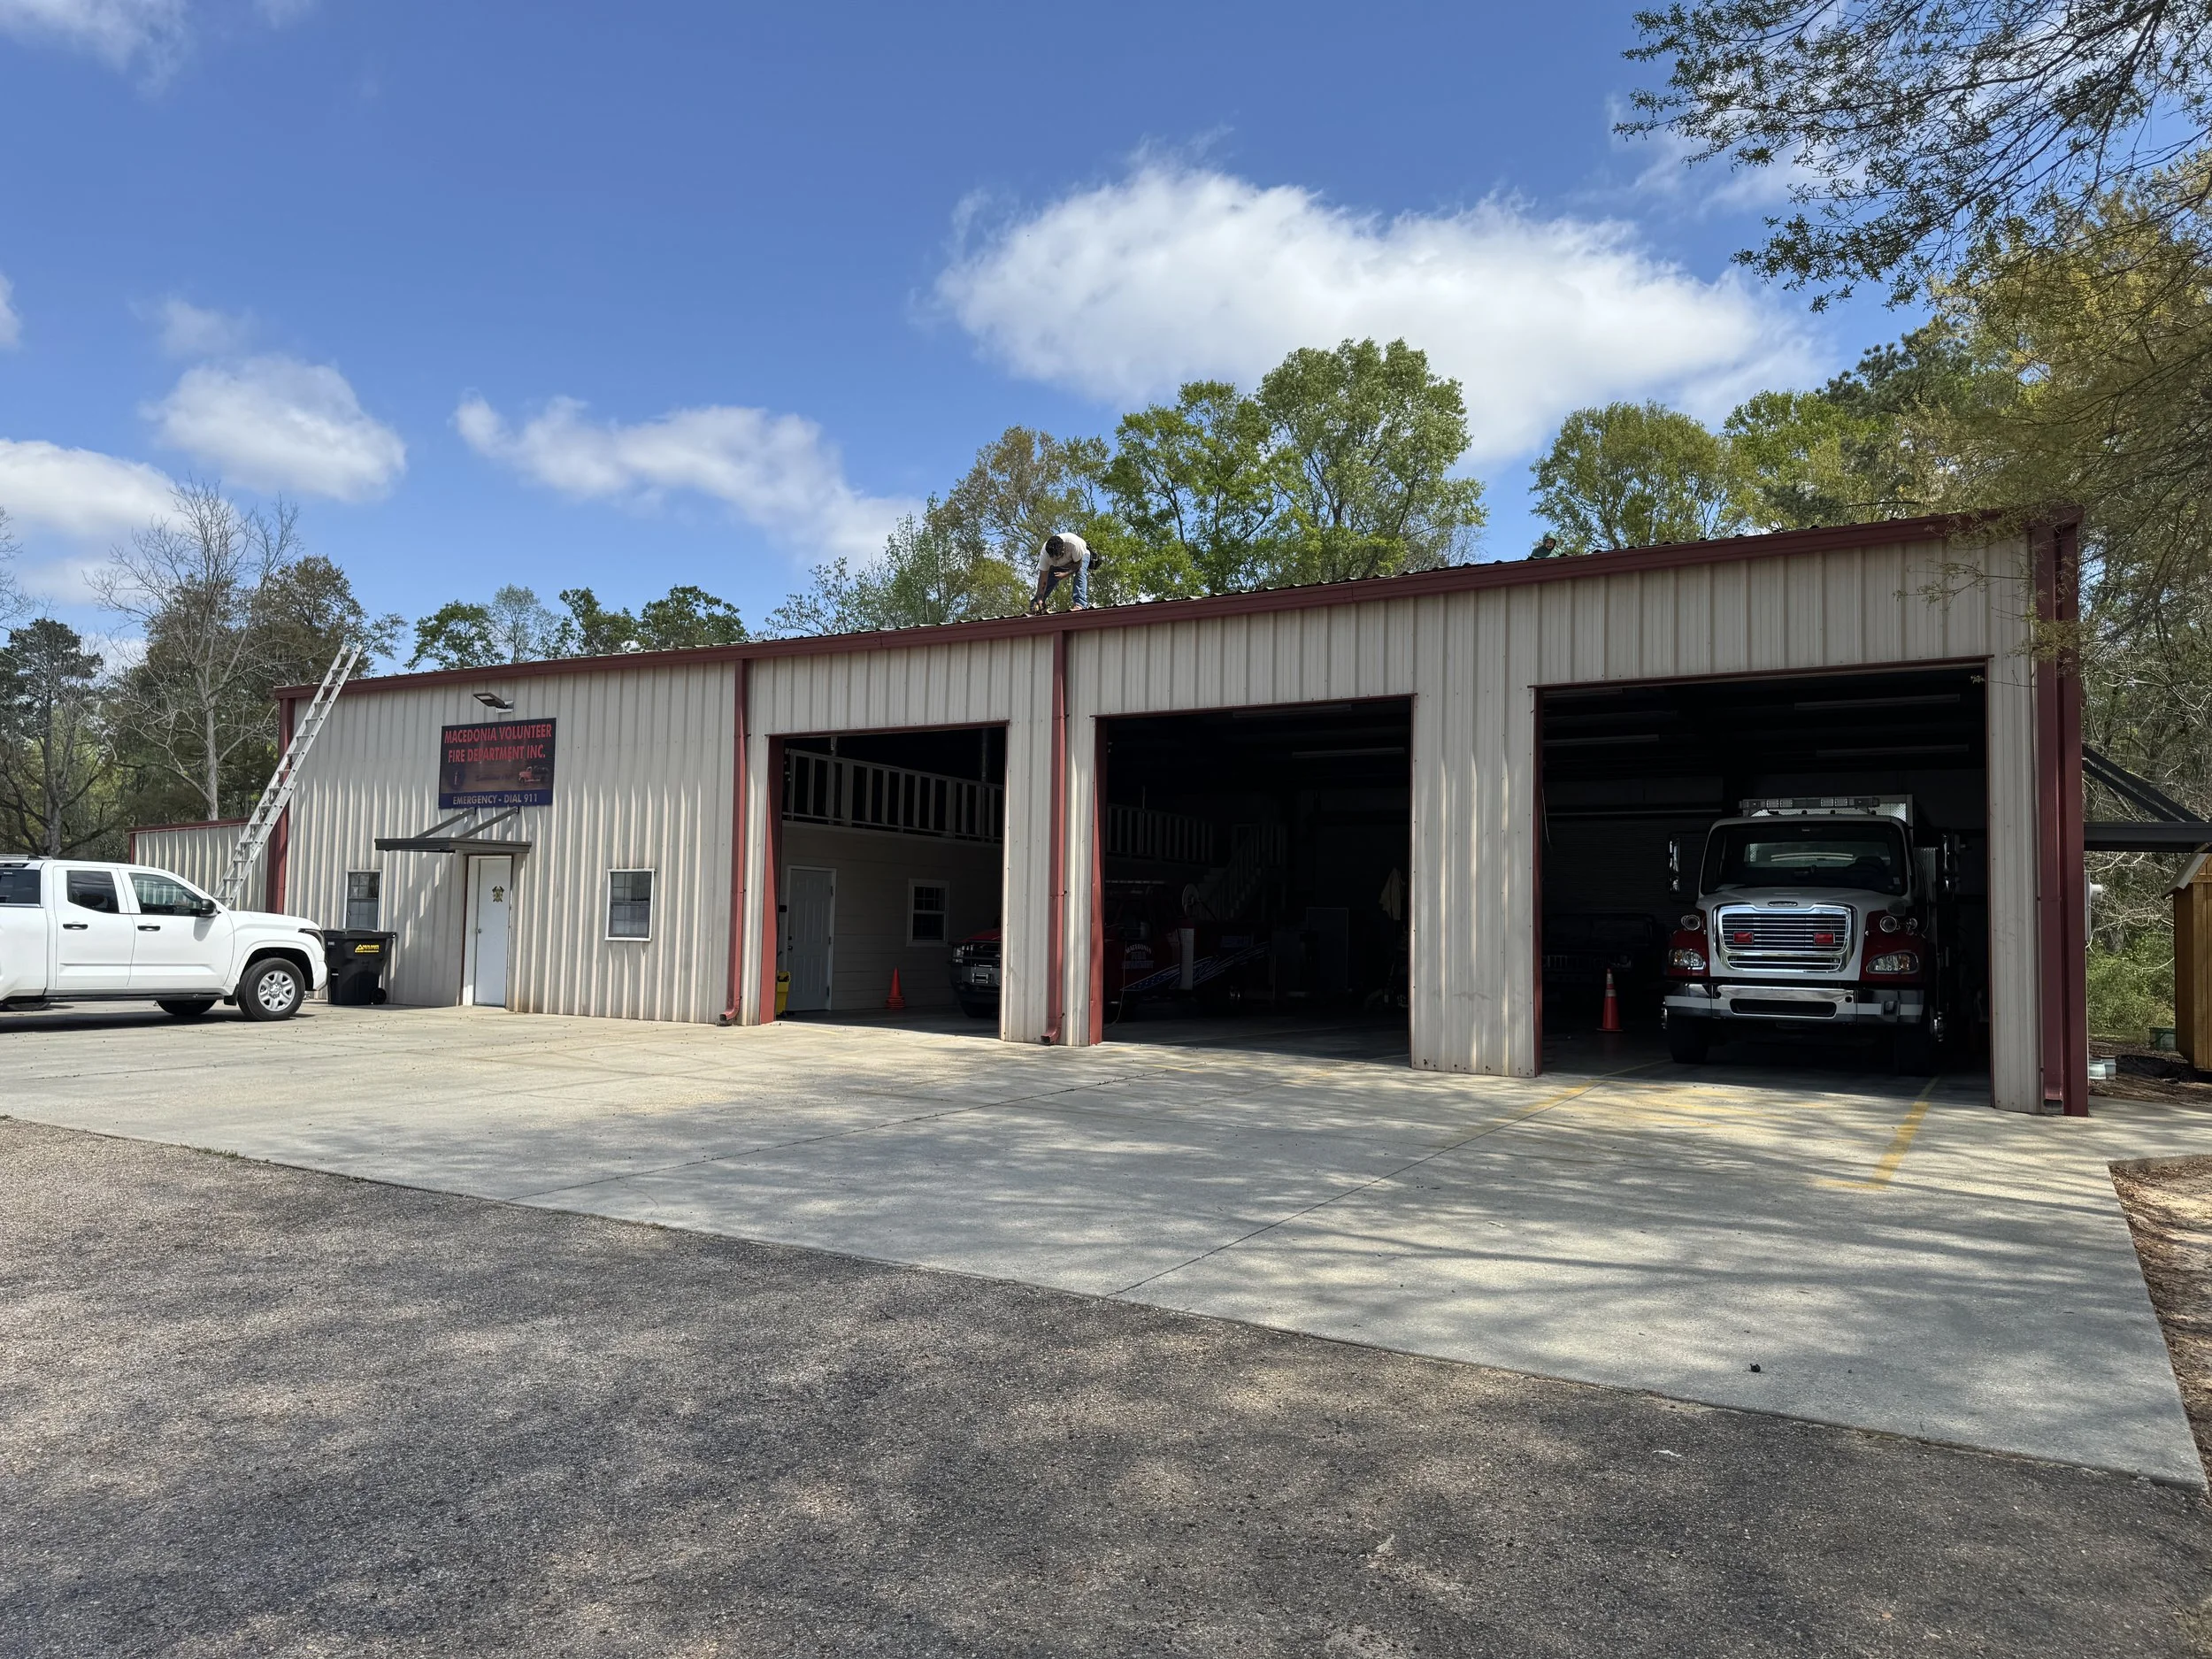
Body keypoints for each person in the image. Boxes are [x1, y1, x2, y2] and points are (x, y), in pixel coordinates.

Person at [1027, 532, 1096, 615]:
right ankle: (1037, 605)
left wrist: (1065, 574)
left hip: (1079, 559)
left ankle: (1080, 604)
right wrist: (1040, 598)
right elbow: (1043, 578)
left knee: (1081, 572)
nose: (1055, 560)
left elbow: (1078, 564)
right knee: (1050, 578)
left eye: (1057, 557)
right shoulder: (1044, 554)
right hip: (1062, 563)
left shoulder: (1075, 544)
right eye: (1053, 558)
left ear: (1063, 550)